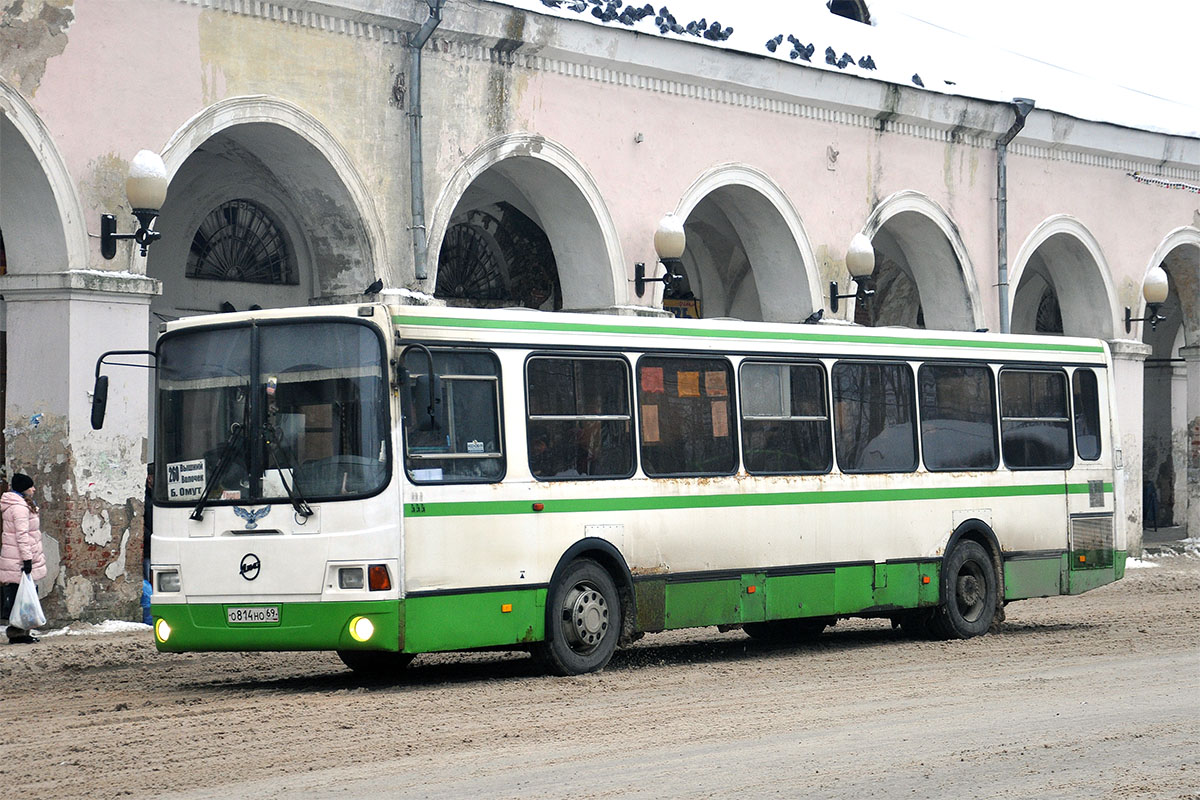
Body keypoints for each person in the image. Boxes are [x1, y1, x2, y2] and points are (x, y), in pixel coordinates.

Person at [1, 473, 47, 644]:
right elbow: (22, 536)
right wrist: (27, 560)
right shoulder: (19, 507)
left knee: (23, 596)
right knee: (20, 597)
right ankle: (17, 634)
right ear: (23, 489)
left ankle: (22, 632)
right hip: (19, 559)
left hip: (18, 557)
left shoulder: (22, 504)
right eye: (30, 487)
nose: (34, 489)